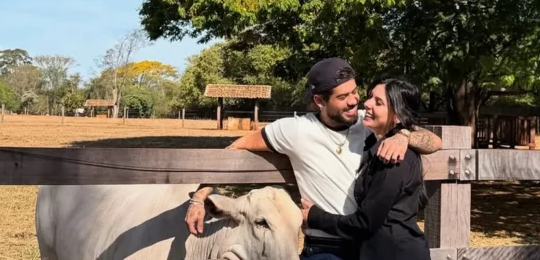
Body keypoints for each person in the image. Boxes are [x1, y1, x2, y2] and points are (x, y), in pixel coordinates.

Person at [184, 58, 442, 260]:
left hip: (368, 245)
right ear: (319, 100)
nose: (355, 102)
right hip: (326, 246)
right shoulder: (294, 130)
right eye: (343, 97)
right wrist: (200, 197)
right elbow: (234, 149)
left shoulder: (369, 120)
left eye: (355, 92)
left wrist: (404, 135)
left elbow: (435, 142)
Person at [300, 78, 431, 260]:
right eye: (370, 97)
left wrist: (315, 216)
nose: (367, 104)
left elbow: (364, 223)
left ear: (397, 116)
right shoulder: (375, 144)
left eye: (378, 102)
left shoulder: (393, 158)